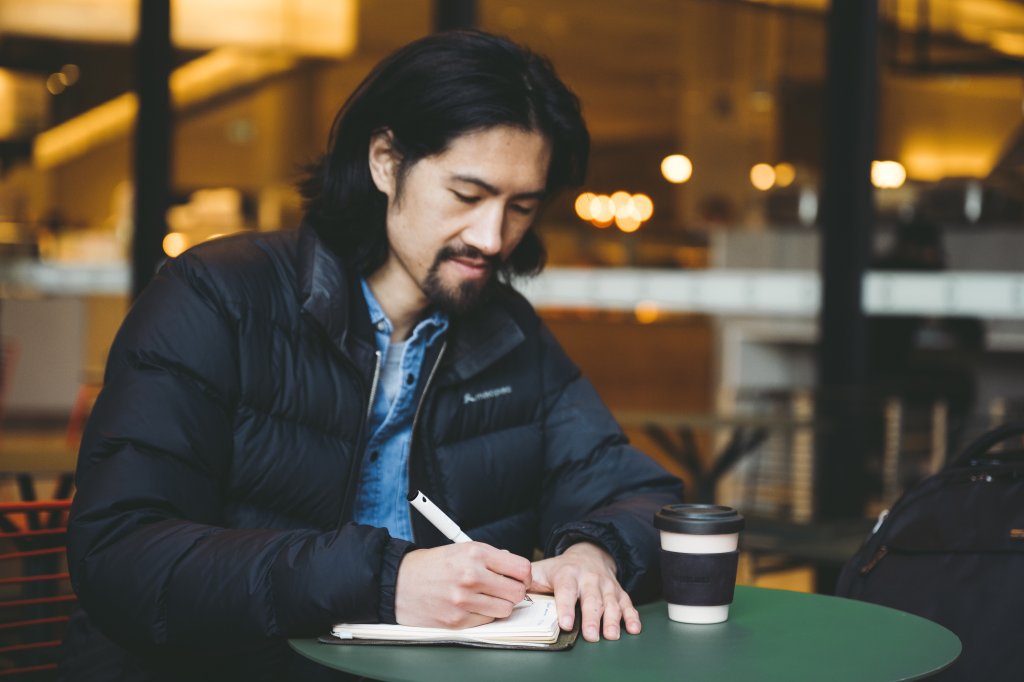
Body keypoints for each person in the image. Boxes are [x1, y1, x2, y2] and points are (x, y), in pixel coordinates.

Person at [60, 30, 682, 681]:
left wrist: (595, 551)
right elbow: (122, 555)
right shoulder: (217, 297)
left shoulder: (507, 333)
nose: (492, 238)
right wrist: (384, 582)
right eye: (467, 196)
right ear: (386, 160)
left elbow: (644, 499)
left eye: (521, 207)